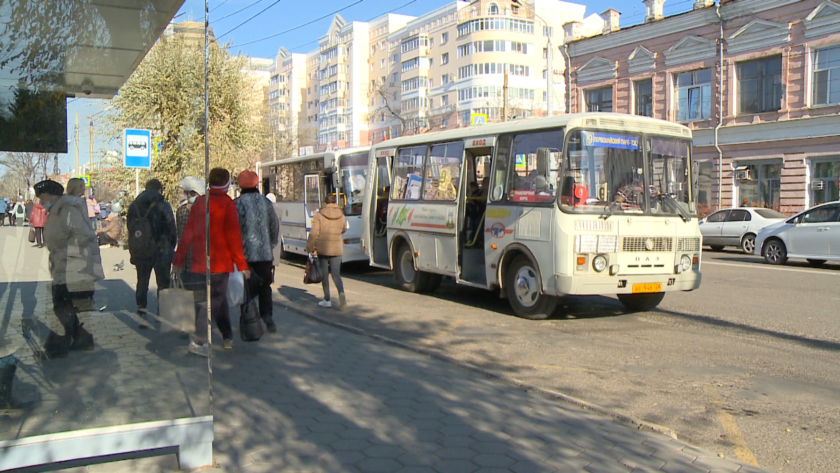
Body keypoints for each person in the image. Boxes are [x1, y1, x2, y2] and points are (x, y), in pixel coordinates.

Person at [173, 168, 250, 356]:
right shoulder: (227, 204)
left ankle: (227, 336)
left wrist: (178, 261)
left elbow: (187, 235)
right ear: (226, 183)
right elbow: (233, 238)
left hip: (200, 263)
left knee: (217, 299)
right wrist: (242, 266)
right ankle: (199, 340)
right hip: (220, 263)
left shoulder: (200, 202)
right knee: (212, 301)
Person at [35, 179, 102, 355]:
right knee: (68, 305)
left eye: (42, 197)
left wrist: (64, 253)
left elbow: (83, 235)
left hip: (72, 265)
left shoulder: (66, 210)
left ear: (53, 195)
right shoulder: (58, 210)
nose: (40, 202)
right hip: (65, 264)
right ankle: (83, 340)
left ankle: (56, 346)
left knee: (62, 306)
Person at [127, 179, 177, 328]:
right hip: (161, 249)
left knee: (142, 280)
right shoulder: (163, 205)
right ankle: (162, 313)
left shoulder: (134, 206)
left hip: (141, 249)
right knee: (163, 282)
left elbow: (130, 227)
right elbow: (171, 227)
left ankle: (141, 311)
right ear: (160, 190)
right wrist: (171, 245)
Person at [235, 170, 280, 333]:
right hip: (264, 254)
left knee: (246, 287)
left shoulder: (237, 204)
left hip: (244, 255)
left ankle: (248, 318)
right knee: (265, 285)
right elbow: (274, 226)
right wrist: (271, 243)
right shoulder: (266, 203)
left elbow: (234, 229)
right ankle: (267, 315)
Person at [305, 194, 347, 310]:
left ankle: (327, 299)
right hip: (337, 248)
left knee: (325, 274)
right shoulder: (341, 215)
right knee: (336, 275)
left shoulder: (319, 215)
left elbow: (314, 233)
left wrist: (309, 247)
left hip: (323, 248)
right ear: (334, 202)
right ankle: (341, 293)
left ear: (325, 202)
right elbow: (343, 229)